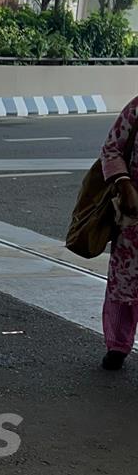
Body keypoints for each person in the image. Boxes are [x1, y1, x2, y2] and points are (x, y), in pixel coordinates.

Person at [100, 96, 138, 369]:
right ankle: (118, 344)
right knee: (125, 282)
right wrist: (124, 184)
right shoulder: (137, 108)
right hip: (134, 215)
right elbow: (111, 148)